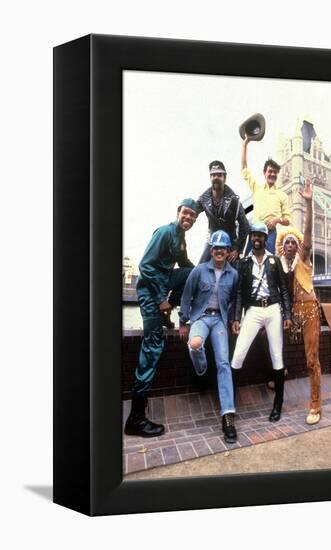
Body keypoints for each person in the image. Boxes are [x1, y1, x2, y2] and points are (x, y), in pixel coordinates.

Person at [124, 199, 198, 437]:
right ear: (178, 212)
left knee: (192, 273)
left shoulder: (181, 238)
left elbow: (186, 267)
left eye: (192, 216)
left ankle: (165, 313)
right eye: (185, 213)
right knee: (153, 346)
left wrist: (205, 271)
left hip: (161, 288)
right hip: (148, 292)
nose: (188, 218)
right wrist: (160, 300)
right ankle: (135, 418)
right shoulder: (165, 232)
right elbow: (145, 265)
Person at [179, 230, 239, 443]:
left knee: (224, 362)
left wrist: (234, 320)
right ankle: (202, 371)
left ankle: (228, 417)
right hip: (201, 319)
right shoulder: (199, 271)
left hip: (220, 321)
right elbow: (186, 297)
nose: (219, 251)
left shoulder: (233, 274)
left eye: (223, 248)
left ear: (227, 250)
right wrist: (183, 322)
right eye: (215, 247)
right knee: (195, 345)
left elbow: (234, 300)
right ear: (211, 250)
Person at [231, 222, 292, 422]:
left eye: (261, 236)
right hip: (253, 310)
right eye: (254, 236)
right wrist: (237, 318)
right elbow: (239, 292)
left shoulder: (274, 260)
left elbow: (284, 289)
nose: (257, 239)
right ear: (251, 238)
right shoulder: (244, 263)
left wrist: (287, 316)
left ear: (266, 239)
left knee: (277, 356)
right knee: (238, 354)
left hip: (273, 309)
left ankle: (278, 405)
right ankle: (230, 404)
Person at [276, 180, 322, 425]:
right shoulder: (281, 266)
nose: (292, 244)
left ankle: (315, 405)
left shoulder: (303, 258)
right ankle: (274, 373)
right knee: (268, 335)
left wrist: (308, 202)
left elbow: (308, 231)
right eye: (287, 243)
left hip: (309, 310)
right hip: (291, 312)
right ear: (283, 248)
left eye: (294, 241)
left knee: (311, 359)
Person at [241, 136, 291, 254]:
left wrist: (276, 220)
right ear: (264, 173)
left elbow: (288, 220)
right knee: (248, 260)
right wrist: (244, 144)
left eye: (275, 172)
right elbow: (244, 168)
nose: (272, 174)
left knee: (268, 263)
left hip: (270, 233)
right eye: (270, 171)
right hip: (254, 231)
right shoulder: (256, 188)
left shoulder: (282, 195)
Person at [196, 160, 249, 264]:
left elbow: (245, 226)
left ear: (225, 178)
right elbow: (191, 212)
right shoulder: (203, 199)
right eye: (213, 175)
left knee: (235, 272)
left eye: (219, 175)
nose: (216, 178)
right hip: (212, 240)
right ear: (210, 178)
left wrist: (237, 249)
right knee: (200, 267)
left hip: (230, 242)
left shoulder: (234, 200)